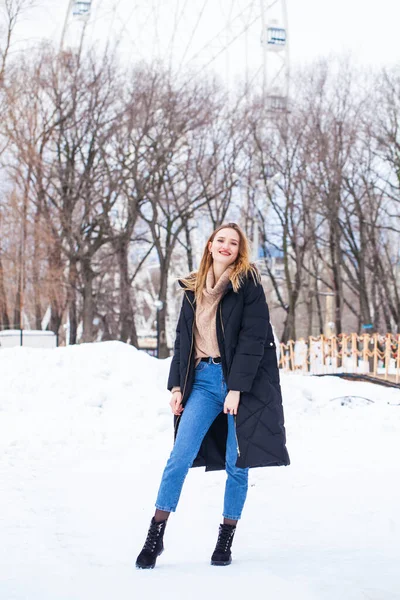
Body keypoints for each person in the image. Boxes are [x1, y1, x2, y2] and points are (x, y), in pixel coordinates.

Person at [136, 222, 290, 569]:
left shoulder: (247, 284)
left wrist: (236, 389)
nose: (226, 246)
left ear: (239, 250)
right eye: (220, 240)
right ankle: (155, 537)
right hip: (203, 381)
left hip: (238, 383)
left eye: (233, 243)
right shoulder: (192, 287)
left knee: (238, 465)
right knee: (179, 457)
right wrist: (177, 386)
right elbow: (182, 341)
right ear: (209, 245)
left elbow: (253, 340)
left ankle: (225, 538)